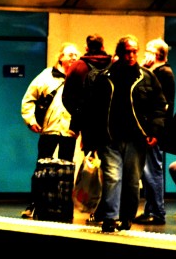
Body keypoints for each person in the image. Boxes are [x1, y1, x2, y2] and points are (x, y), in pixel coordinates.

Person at [63, 35, 168, 233]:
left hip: (136, 138)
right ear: (119, 53)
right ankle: (110, 217)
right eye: (128, 51)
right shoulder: (103, 78)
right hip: (109, 137)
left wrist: (155, 130)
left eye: (134, 51)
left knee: (131, 179)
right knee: (113, 176)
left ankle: (127, 217)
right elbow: (88, 107)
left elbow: (158, 106)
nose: (131, 55)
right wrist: (81, 131)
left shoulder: (146, 77)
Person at [20, 42, 81, 218]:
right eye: (70, 54)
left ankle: (62, 206)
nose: (73, 57)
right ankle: (34, 204)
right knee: (41, 169)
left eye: (76, 55)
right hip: (49, 130)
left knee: (66, 172)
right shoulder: (46, 76)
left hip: (69, 132)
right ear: (60, 56)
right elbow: (29, 99)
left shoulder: (79, 79)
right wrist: (30, 120)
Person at [137, 38, 176, 225]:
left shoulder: (163, 73)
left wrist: (155, 131)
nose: (144, 54)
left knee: (152, 169)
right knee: (148, 170)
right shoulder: (157, 72)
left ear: (156, 54)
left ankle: (157, 211)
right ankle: (150, 208)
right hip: (152, 129)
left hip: (154, 130)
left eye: (147, 50)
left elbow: (161, 105)